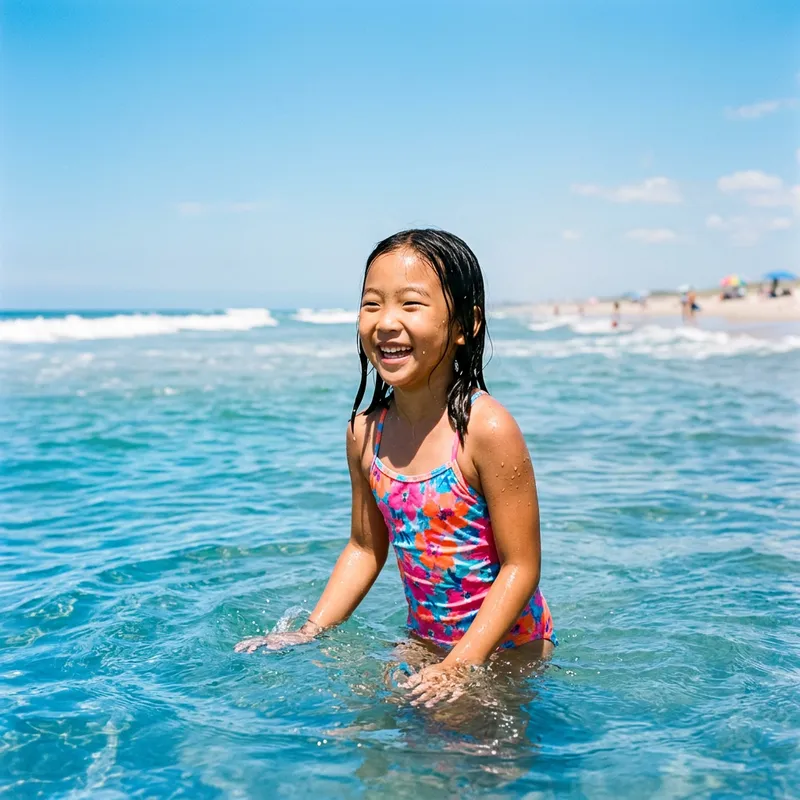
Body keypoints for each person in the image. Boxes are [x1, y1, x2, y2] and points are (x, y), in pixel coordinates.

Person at [235, 229, 557, 707]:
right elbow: (365, 548)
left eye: (411, 304)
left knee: (473, 750)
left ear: (466, 324)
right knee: (360, 718)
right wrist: (308, 633)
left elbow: (521, 566)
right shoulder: (365, 434)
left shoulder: (485, 429)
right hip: (425, 640)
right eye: (371, 304)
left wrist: (461, 665)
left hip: (511, 646)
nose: (386, 322)